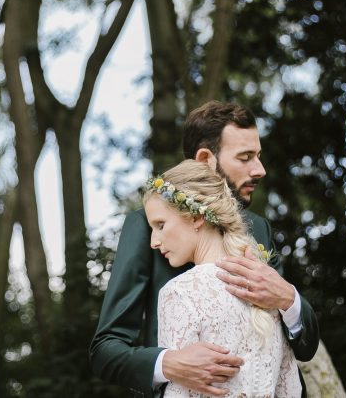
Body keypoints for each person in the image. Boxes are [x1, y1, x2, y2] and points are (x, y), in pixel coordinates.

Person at [90, 101, 319, 397]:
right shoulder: (147, 226)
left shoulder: (259, 229)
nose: (260, 170)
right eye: (245, 157)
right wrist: (168, 364)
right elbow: (105, 348)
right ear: (205, 160)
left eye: (258, 156)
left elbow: (302, 348)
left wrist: (289, 299)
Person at [145, 159, 302, 397]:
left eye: (160, 225)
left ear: (197, 217)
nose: (153, 242)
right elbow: (291, 389)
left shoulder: (179, 292)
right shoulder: (268, 292)